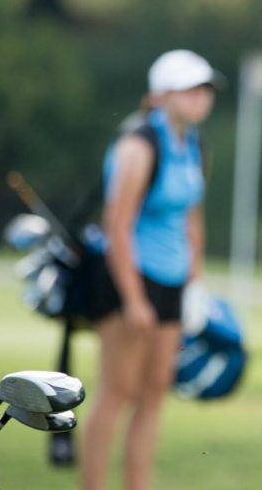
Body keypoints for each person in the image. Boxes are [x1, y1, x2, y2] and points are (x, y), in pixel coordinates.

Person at [81, 49, 219, 490]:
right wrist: (134, 298)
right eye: (190, 89)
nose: (200, 98)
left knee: (155, 390)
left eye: (205, 90)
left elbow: (192, 220)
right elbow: (116, 226)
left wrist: (194, 283)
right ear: (160, 96)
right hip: (129, 279)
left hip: (172, 281)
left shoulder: (195, 146)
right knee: (117, 390)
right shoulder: (138, 145)